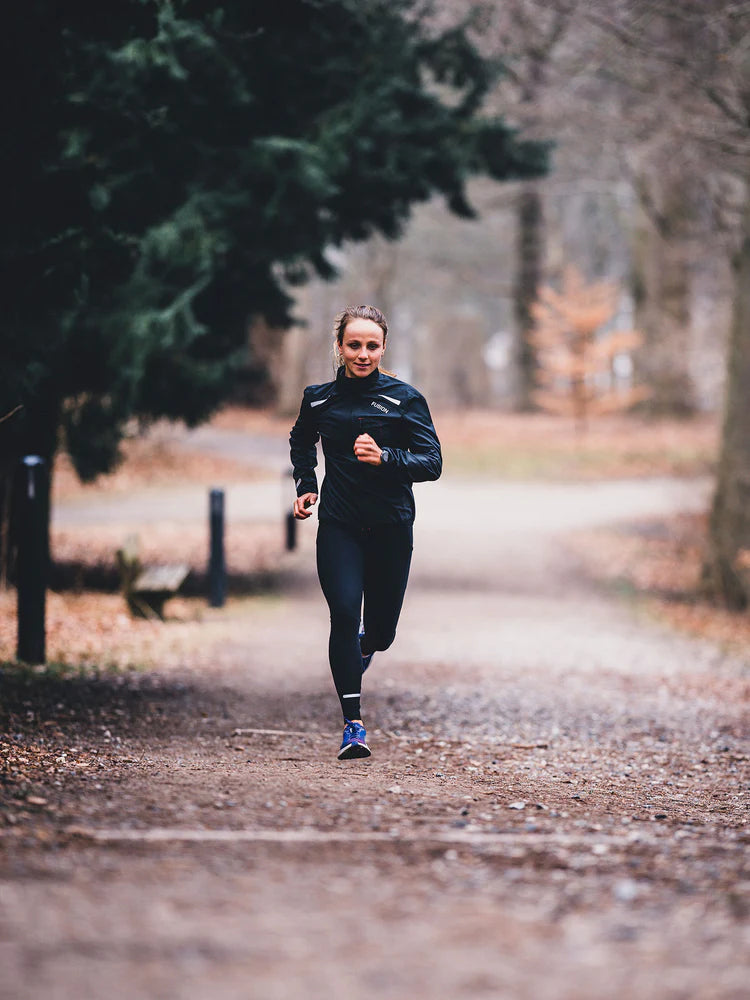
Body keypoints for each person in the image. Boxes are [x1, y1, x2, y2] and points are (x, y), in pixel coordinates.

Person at [289, 304, 442, 760]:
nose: (362, 354)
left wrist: (387, 458)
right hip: (339, 525)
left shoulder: (404, 399)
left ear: (383, 348)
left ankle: (364, 649)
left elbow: (432, 463)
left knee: (380, 633)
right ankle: (352, 725)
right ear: (339, 347)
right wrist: (306, 485)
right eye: (353, 345)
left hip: (392, 528)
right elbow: (301, 441)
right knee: (342, 614)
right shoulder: (318, 399)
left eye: (371, 346)